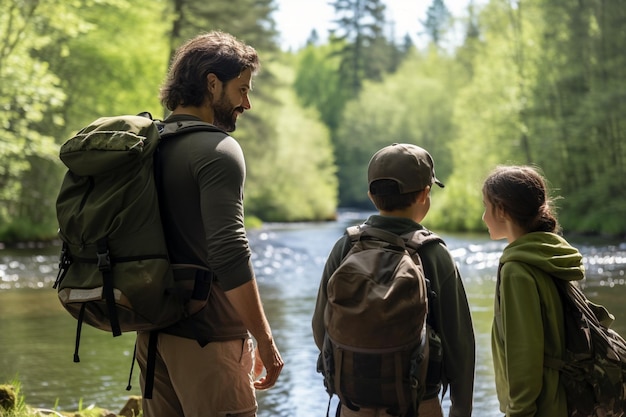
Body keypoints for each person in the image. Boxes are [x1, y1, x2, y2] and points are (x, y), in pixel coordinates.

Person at [135, 31, 283, 417]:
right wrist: (265, 341)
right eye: (242, 89)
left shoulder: (149, 145)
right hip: (209, 339)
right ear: (212, 83)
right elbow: (230, 252)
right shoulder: (218, 151)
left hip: (152, 338)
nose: (246, 103)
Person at [312, 143, 475, 417]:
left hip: (353, 406)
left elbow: (321, 327)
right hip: (418, 404)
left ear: (371, 195)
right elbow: (460, 346)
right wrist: (461, 409)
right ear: (425, 194)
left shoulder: (346, 246)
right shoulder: (433, 252)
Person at [482, 165, 585, 417]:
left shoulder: (516, 269)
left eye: (486, 207)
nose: (484, 217)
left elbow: (524, 354)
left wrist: (519, 412)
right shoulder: (553, 252)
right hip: (570, 397)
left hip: (541, 407)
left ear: (502, 210)